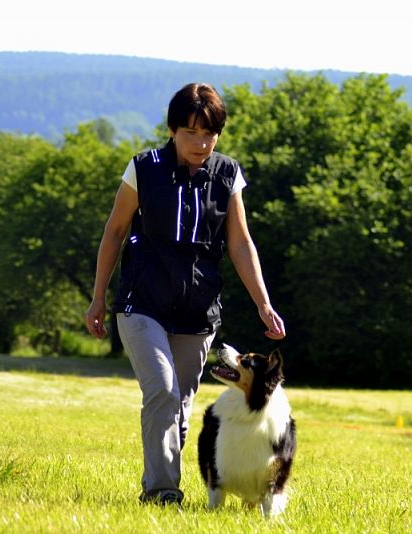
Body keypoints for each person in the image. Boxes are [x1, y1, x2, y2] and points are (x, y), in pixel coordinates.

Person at [84, 82, 285, 505]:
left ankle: (166, 484)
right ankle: (161, 492)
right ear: (173, 130)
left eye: (209, 133)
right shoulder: (144, 167)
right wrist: (98, 296)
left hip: (198, 311)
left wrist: (263, 303)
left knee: (180, 404)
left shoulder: (228, 175)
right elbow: (115, 231)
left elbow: (240, 243)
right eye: (191, 133)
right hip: (142, 303)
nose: (201, 143)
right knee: (162, 389)